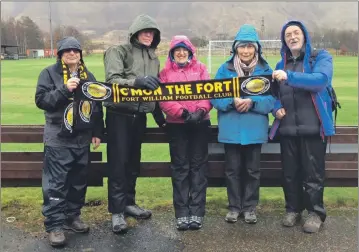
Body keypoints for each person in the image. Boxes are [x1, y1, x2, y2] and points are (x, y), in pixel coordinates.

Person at [35, 36, 104, 247]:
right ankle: (55, 225)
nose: (72, 53)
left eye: (75, 50)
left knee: (78, 181)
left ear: (80, 54)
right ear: (60, 54)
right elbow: (42, 101)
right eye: (67, 51)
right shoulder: (49, 73)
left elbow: (97, 106)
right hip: (58, 138)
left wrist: (97, 131)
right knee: (56, 184)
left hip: (81, 138)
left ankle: (72, 217)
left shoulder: (88, 75)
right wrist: (65, 89)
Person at [103, 14, 166, 234]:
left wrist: (159, 116)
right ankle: (117, 211)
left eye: (153, 32)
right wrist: (135, 82)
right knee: (118, 163)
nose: (149, 35)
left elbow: (154, 89)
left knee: (132, 162)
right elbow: (111, 81)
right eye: (145, 31)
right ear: (136, 32)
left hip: (140, 116)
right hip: (119, 114)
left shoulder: (153, 58)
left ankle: (129, 202)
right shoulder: (118, 51)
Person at [270, 20, 334, 233]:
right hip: (287, 129)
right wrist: (276, 107)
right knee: (289, 173)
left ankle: (315, 213)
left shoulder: (321, 57)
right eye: (288, 35)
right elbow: (275, 95)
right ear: (284, 41)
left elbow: (320, 81)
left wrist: (290, 77)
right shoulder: (280, 65)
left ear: (304, 36)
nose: (292, 37)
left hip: (313, 128)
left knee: (313, 174)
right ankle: (293, 210)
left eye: (296, 33)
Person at [210, 24, 275, 224]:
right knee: (232, 171)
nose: (246, 51)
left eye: (250, 46)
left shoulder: (265, 70)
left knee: (253, 171)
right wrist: (232, 101)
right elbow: (214, 98)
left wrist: (252, 102)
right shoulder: (225, 69)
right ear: (235, 48)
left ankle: (249, 207)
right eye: (242, 46)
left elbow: (272, 100)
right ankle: (233, 207)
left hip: (254, 131)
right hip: (231, 130)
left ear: (256, 48)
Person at [158, 35, 212, 231]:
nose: (181, 53)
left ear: (190, 51)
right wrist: (181, 113)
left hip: (200, 123)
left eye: (184, 49)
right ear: (172, 53)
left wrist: (200, 111)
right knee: (180, 168)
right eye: (177, 50)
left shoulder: (201, 69)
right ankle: (181, 212)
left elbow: (209, 92)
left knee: (198, 167)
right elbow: (162, 98)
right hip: (177, 125)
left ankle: (197, 212)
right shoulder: (164, 73)